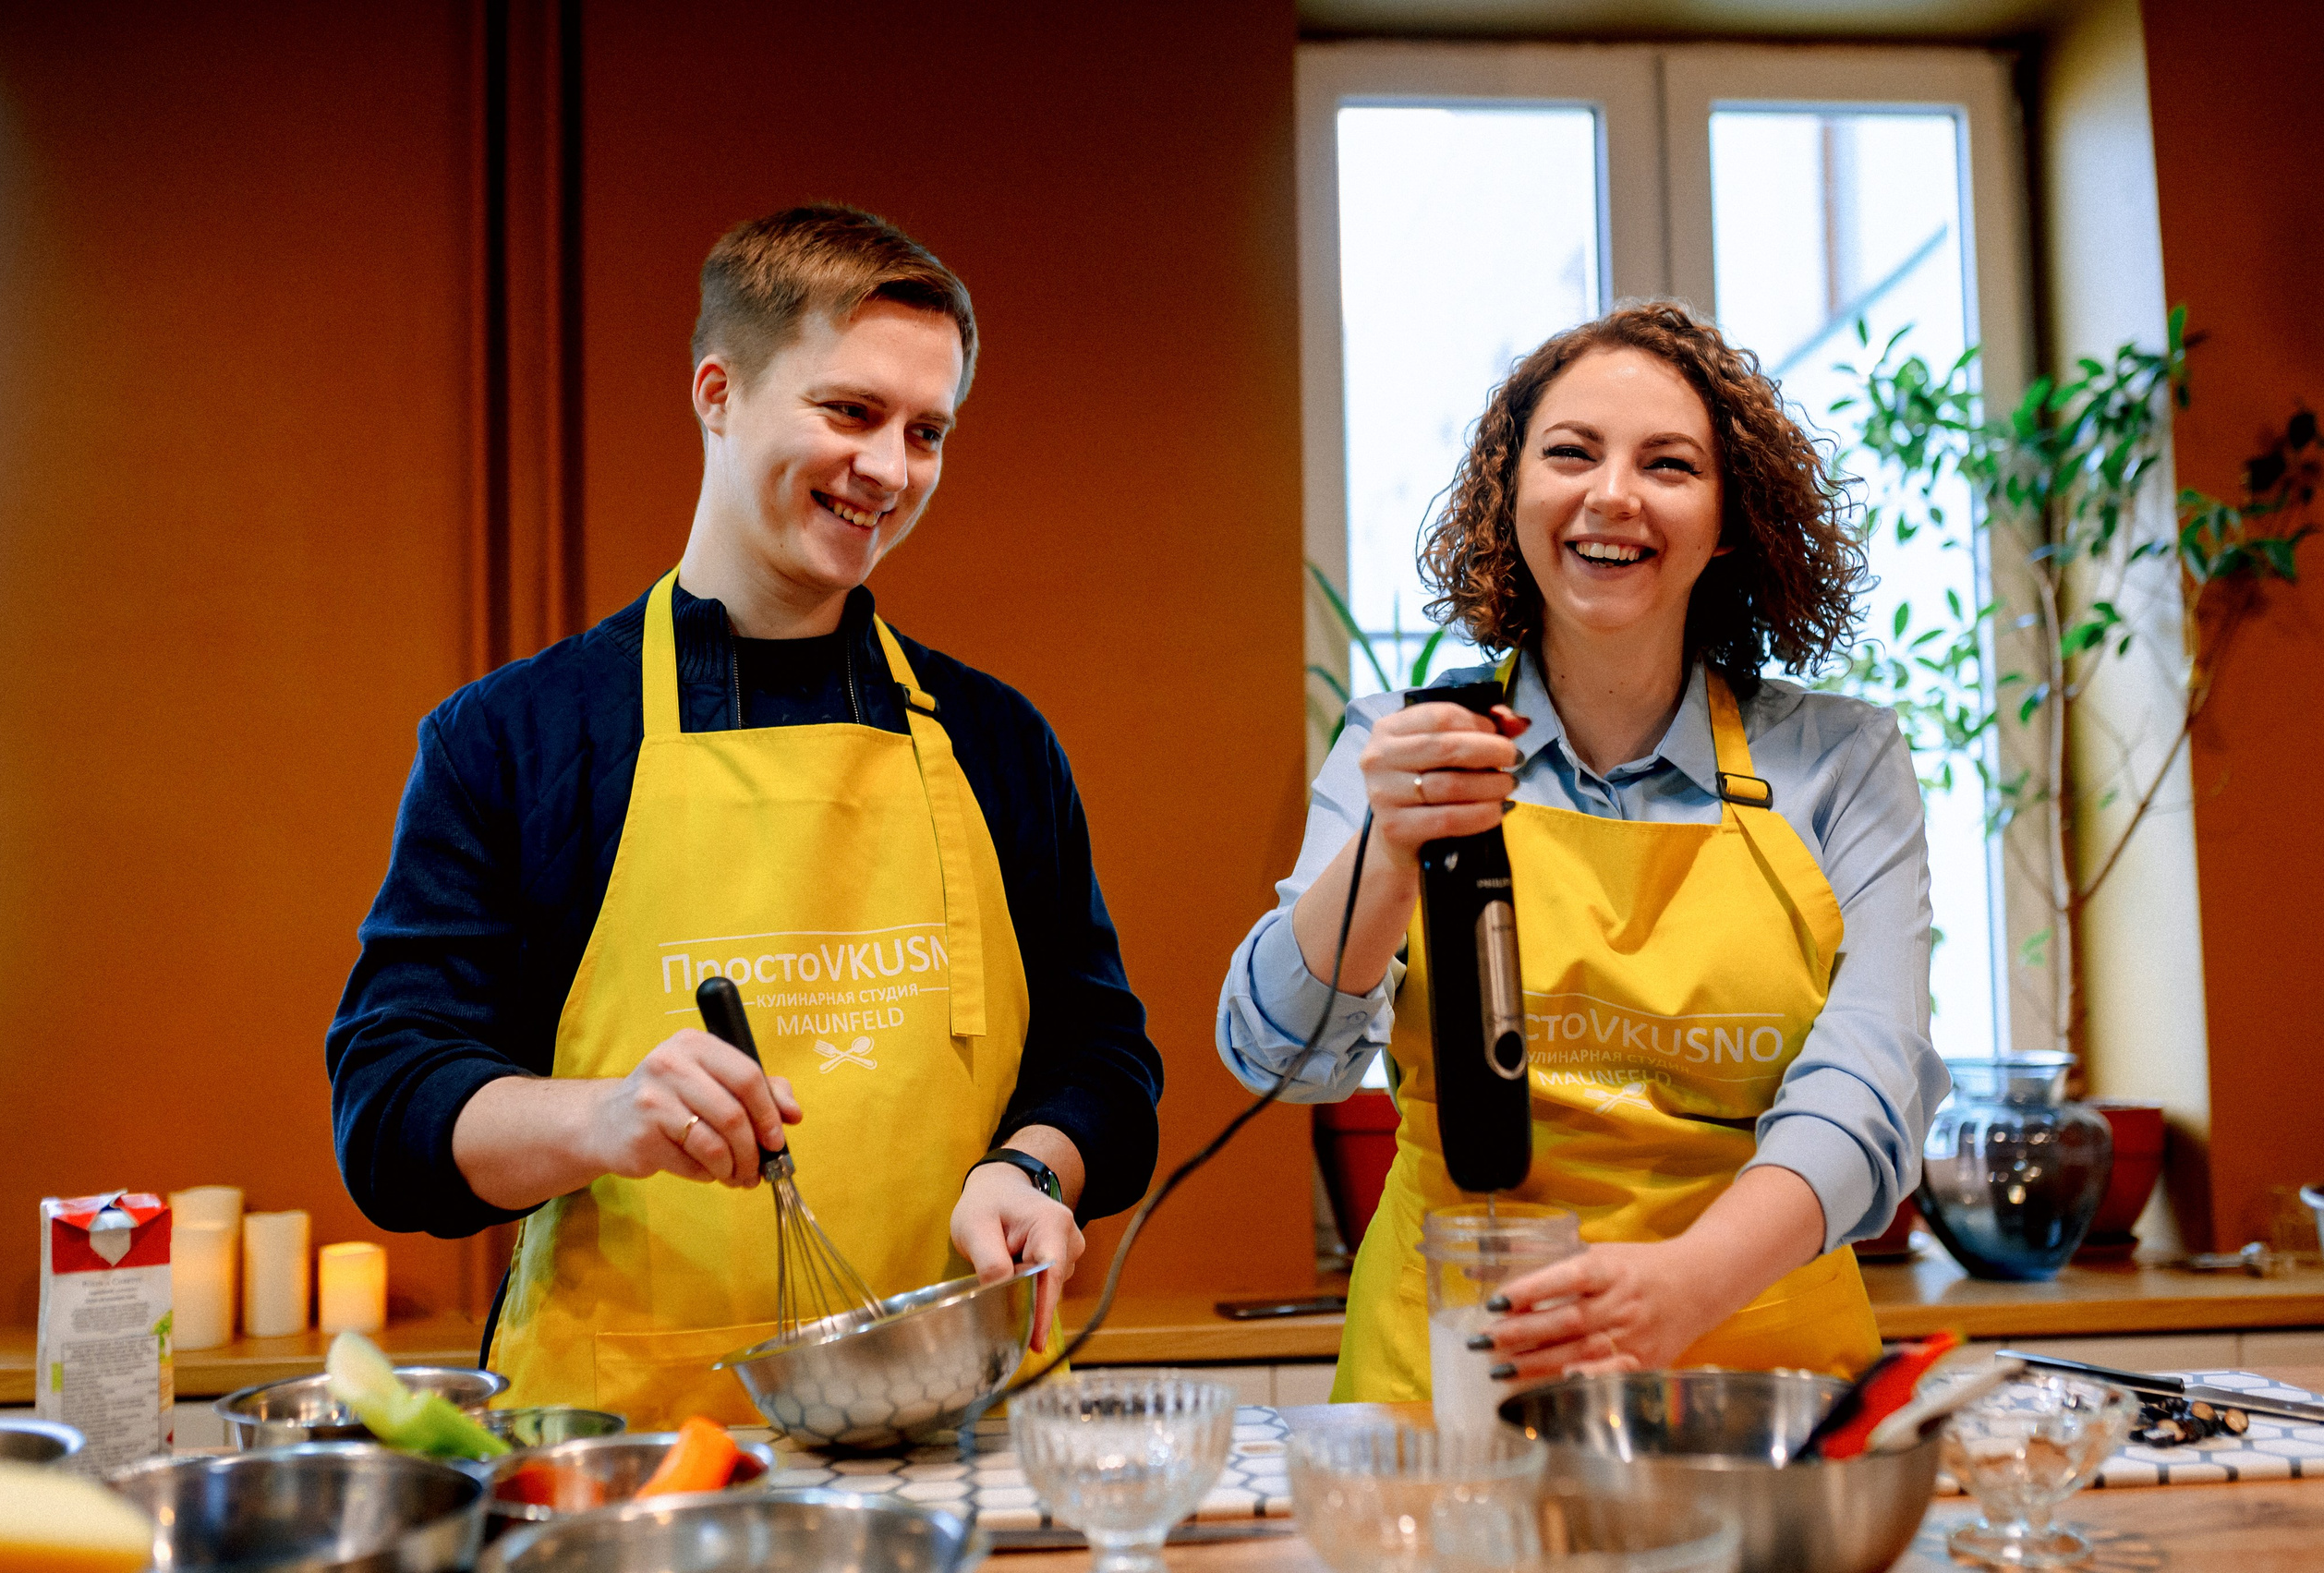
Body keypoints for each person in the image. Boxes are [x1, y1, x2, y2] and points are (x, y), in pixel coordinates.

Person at [328, 205, 1161, 1425]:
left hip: (959, 1428)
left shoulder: (995, 739)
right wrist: (604, 1116)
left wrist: (1031, 1164)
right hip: (634, 1454)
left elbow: (1105, 1062)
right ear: (717, 393)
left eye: (927, 430)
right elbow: (389, 1109)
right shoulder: (514, 738)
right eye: (850, 411)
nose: (891, 468)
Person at [1218, 301, 1948, 1397]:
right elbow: (1280, 1060)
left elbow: (1871, 1085)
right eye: (1570, 453)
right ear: (1509, 493)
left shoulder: (1840, 762)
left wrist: (1689, 1281)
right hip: (1455, 1379)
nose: (1612, 494)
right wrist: (1386, 850)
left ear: (1729, 519)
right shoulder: (1401, 744)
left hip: (1750, 1383)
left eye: (1668, 463)